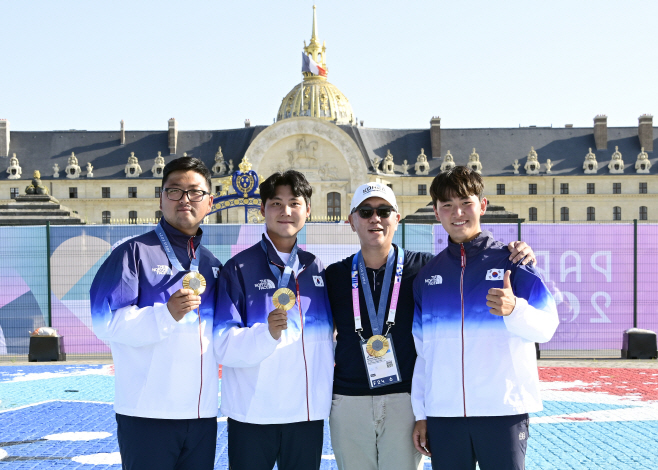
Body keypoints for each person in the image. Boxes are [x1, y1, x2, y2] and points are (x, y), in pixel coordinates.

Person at [325, 182, 536, 470]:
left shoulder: (424, 269)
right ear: (352, 221)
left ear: (396, 219)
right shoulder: (334, 275)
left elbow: (467, 264)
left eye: (384, 211)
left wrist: (517, 252)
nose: (375, 218)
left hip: (404, 400)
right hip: (350, 399)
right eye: (365, 212)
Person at [411, 166, 559, 470]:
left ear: (483, 204)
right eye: (447, 206)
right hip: (445, 415)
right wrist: (421, 413)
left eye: (466, 202)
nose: (458, 213)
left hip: (503, 411)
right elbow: (423, 354)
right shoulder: (427, 276)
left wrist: (515, 309)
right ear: (436, 213)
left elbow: (546, 327)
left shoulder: (514, 261)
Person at [89, 157, 221, 470]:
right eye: (174, 191)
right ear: (160, 199)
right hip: (147, 416)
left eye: (195, 192)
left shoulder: (213, 265)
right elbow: (103, 322)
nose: (185, 200)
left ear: (210, 202)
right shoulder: (132, 253)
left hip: (202, 415)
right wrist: (166, 315)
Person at [214, 170, 334, 470]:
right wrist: (266, 333)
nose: (286, 211)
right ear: (262, 210)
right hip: (254, 413)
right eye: (276, 203)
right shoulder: (238, 267)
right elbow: (222, 344)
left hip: (305, 414)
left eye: (295, 202)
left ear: (308, 210)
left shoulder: (315, 267)